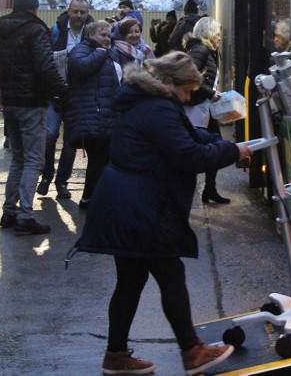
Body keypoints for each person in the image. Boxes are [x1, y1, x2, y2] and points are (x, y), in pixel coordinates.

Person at [71, 51, 252, 375]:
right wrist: (230, 149)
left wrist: (217, 142)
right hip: (142, 209)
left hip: (126, 204)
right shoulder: (158, 107)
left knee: (130, 282)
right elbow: (187, 154)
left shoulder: (148, 101)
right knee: (169, 274)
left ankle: (116, 355)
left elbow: (184, 136)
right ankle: (192, 352)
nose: (187, 98)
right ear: (169, 82)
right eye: (185, 91)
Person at [0, 0, 68, 235]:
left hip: (10, 102)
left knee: (18, 158)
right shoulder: (36, 29)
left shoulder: (0, 30)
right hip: (32, 103)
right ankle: (25, 215)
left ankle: (8, 212)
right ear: (34, 8)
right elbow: (46, 66)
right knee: (34, 159)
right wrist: (63, 90)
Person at [36, 0, 93, 200]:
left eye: (82, 12)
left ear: (87, 13)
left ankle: (62, 182)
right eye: (75, 11)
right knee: (50, 135)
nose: (78, 15)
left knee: (71, 141)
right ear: (68, 11)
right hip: (55, 93)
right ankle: (47, 175)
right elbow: (45, 58)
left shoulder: (91, 33)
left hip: (78, 96)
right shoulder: (56, 30)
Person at [64, 21, 121, 210]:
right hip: (90, 115)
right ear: (90, 34)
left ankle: (95, 197)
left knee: (103, 160)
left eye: (109, 35)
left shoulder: (108, 53)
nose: (107, 39)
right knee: (97, 159)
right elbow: (80, 67)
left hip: (105, 115)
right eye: (103, 35)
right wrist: (100, 53)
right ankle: (88, 198)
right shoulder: (81, 50)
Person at [183, 17, 230, 204]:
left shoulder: (205, 50)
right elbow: (188, 75)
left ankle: (209, 189)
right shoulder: (201, 50)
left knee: (214, 145)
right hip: (196, 109)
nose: (219, 38)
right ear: (210, 34)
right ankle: (200, 190)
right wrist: (210, 93)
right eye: (217, 34)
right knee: (208, 147)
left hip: (202, 109)